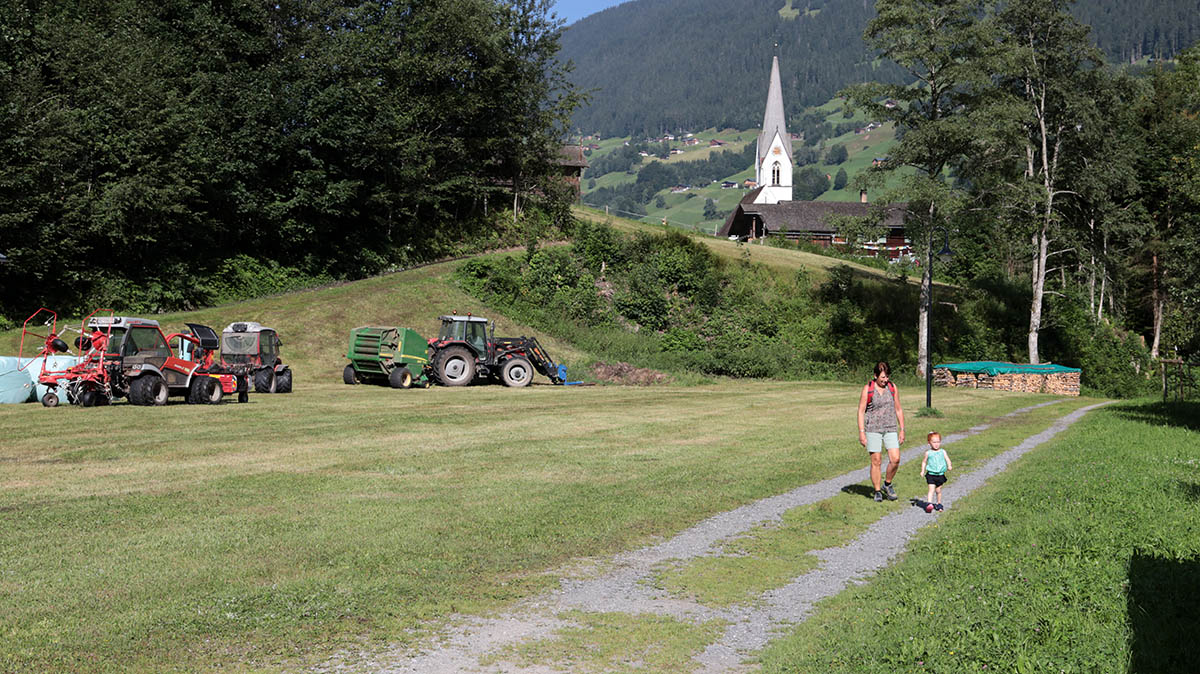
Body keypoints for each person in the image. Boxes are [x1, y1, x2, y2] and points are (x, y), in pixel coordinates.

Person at [857, 361, 905, 502]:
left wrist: (902, 429)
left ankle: (887, 484)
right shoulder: (868, 389)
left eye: (887, 376)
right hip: (873, 429)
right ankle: (877, 490)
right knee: (876, 461)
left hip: (890, 428)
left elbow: (898, 409)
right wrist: (861, 432)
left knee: (895, 459)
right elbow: (860, 411)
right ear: (875, 376)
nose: (885, 380)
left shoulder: (892, 387)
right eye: (882, 377)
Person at [920, 431, 952, 511]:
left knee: (938, 490)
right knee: (931, 489)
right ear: (929, 443)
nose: (936, 444)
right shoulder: (928, 453)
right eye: (934, 442)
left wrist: (949, 465)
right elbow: (924, 462)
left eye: (938, 442)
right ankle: (929, 504)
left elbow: (947, 459)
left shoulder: (942, 451)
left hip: (940, 475)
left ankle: (939, 503)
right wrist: (922, 471)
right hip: (931, 474)